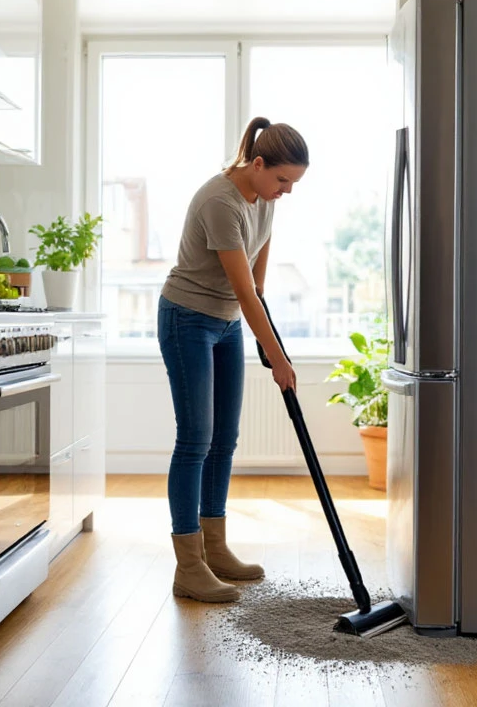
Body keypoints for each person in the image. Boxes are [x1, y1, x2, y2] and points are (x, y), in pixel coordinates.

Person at [158, 116, 308, 603]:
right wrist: (277, 357)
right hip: (187, 319)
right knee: (195, 439)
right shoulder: (219, 201)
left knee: (225, 439)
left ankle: (216, 550)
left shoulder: (265, 200)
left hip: (225, 323)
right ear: (258, 163)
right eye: (282, 180)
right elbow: (245, 293)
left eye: (293, 183)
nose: (286, 191)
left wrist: (271, 344)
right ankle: (189, 566)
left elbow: (258, 286)